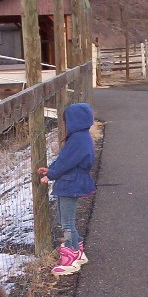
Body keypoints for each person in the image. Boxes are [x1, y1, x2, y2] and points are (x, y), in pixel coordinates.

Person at [37, 102, 96, 277]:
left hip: (70, 182)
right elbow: (67, 159)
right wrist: (52, 169)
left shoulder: (77, 138)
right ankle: (78, 252)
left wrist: (51, 175)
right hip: (74, 180)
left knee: (67, 222)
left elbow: (67, 162)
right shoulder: (83, 136)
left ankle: (70, 259)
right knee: (68, 219)